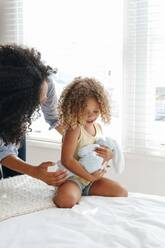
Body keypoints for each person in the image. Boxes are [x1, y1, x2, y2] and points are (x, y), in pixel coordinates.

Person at [53, 77, 128, 208]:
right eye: (85, 112)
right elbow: (67, 160)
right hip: (74, 178)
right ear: (74, 108)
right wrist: (89, 177)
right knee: (66, 200)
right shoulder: (74, 129)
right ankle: (66, 190)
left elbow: (97, 157)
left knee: (121, 192)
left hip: (92, 180)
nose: (91, 116)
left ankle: (84, 192)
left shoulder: (98, 128)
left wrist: (108, 156)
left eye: (96, 111)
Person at [0, 44, 68, 186]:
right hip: (6, 124)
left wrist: (79, 140)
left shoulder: (45, 80)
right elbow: (3, 152)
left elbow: (54, 117)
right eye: (36, 101)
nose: (43, 102)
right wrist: (34, 171)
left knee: (16, 180)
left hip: (13, 126)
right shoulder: (8, 106)